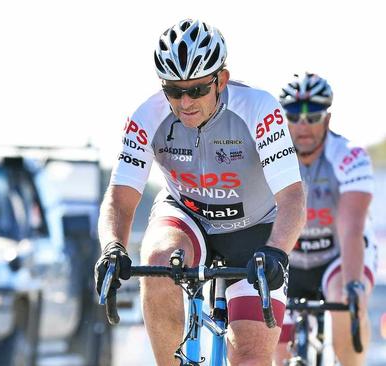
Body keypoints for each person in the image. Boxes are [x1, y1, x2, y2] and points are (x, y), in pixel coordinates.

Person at [94, 19, 306, 365]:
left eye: (196, 90)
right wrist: (113, 246)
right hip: (185, 215)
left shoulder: (259, 109)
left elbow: (293, 199)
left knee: (251, 358)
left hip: (254, 229)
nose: (185, 102)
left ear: (221, 79)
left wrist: (277, 251)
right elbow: (120, 198)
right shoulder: (147, 116)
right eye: (174, 91)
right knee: (158, 261)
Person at [273, 73, 377, 366]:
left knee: (344, 299)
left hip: (338, 255)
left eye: (312, 116)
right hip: (289, 259)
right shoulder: (268, 158)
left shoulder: (348, 155)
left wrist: (355, 286)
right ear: (283, 119)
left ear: (327, 119)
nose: (303, 125)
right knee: (275, 351)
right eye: (293, 116)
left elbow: (352, 227)